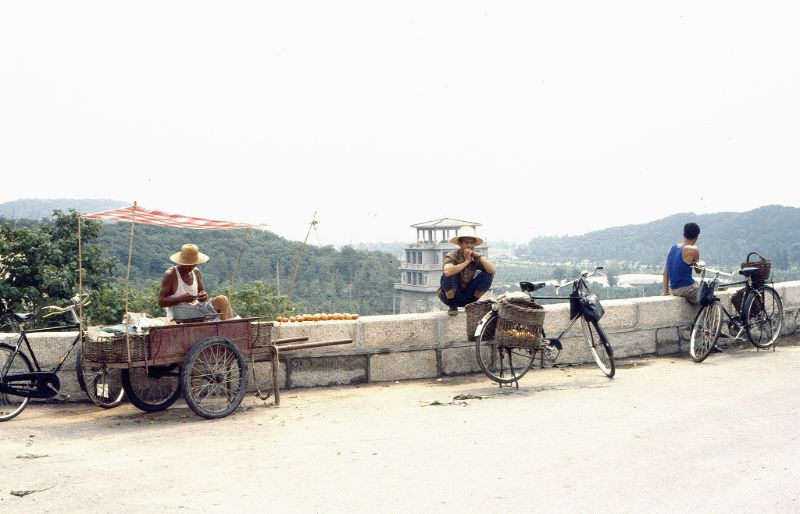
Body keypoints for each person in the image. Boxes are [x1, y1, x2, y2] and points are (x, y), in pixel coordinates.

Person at [158, 243, 234, 322]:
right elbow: (161, 302)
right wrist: (181, 299)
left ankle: (228, 327)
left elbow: (202, 293)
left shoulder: (196, 272)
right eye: (188, 265)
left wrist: (203, 296)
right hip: (180, 315)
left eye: (194, 264)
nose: (191, 267)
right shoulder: (171, 274)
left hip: (197, 310)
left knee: (222, 300)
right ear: (181, 262)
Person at [438, 227, 496, 315]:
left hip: (466, 294)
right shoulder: (453, 255)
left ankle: (471, 303)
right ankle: (452, 305)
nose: (469, 246)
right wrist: (466, 262)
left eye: (472, 243)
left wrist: (479, 256)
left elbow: (492, 271)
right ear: (460, 244)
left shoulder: (475, 257)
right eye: (466, 243)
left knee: (488, 276)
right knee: (449, 275)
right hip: (450, 296)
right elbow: (447, 272)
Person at [662, 222, 702, 303]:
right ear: (697, 236)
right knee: (709, 295)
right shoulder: (693, 249)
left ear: (684, 234)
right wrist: (699, 263)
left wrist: (666, 292)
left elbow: (665, 272)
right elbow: (698, 271)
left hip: (673, 289)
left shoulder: (673, 248)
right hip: (686, 289)